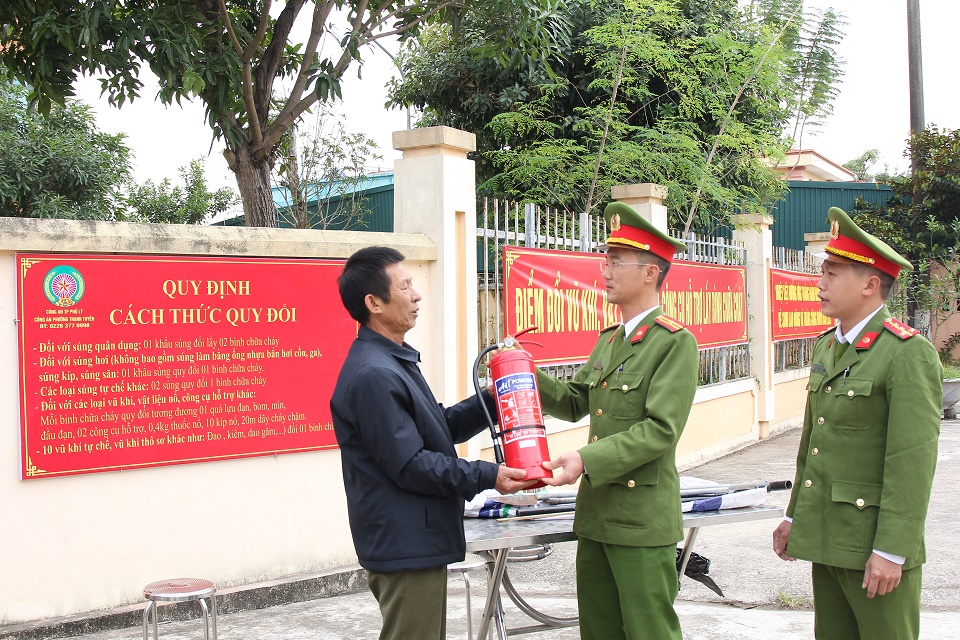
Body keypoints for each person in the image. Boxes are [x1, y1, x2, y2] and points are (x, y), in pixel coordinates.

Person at [330, 246, 532, 640]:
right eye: (405, 286)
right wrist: (490, 475)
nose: (417, 295)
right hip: (403, 543)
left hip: (415, 538)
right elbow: (410, 464)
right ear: (373, 302)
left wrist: (494, 395)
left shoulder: (392, 360)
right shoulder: (373, 373)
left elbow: (436, 428)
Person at [772, 207, 941, 640]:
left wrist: (892, 550)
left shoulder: (907, 352)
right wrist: (795, 517)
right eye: (822, 271)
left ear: (870, 284)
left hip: (873, 547)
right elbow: (813, 445)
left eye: (832, 272)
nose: (820, 283)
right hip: (828, 537)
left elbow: (911, 462)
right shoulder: (829, 346)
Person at [533, 202, 698, 640]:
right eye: (606, 260)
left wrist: (585, 459)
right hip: (597, 516)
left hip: (642, 520)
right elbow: (573, 403)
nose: (604, 270)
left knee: (649, 632)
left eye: (616, 262)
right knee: (599, 632)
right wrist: (525, 373)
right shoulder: (610, 340)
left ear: (650, 273)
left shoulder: (674, 343)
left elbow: (660, 430)